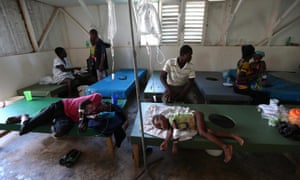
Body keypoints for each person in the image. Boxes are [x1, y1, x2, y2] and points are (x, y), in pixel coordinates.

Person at [7, 93, 126, 147]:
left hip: (66, 117)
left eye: (105, 110)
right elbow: (82, 105)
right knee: (24, 129)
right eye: (105, 106)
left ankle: (48, 120)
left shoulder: (96, 114)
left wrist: (85, 121)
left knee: (59, 133)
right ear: (104, 102)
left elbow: (87, 118)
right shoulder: (97, 97)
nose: (103, 108)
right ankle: (23, 117)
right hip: (60, 106)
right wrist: (82, 121)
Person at [152, 110, 244, 163]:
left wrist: (175, 145)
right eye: (159, 128)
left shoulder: (172, 119)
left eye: (159, 124)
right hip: (196, 121)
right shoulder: (170, 127)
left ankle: (225, 147)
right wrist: (165, 142)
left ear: (162, 117)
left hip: (196, 115)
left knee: (202, 133)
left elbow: (176, 132)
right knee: (211, 132)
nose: (161, 128)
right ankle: (232, 136)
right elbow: (169, 132)